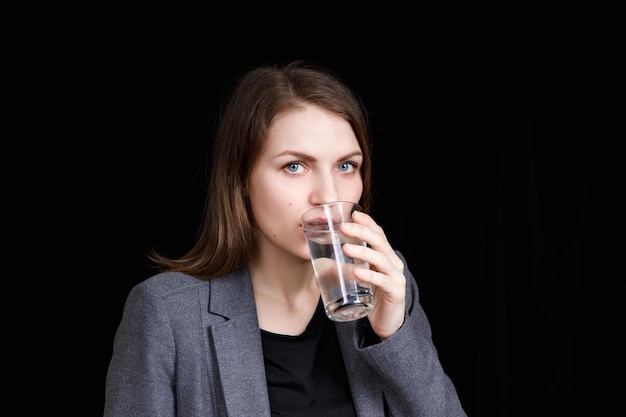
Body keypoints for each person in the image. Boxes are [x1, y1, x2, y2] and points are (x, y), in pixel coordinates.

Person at [104, 60, 467, 417]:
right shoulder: (167, 312)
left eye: (346, 166)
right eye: (295, 166)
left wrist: (393, 336)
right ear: (241, 179)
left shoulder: (384, 282)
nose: (327, 195)